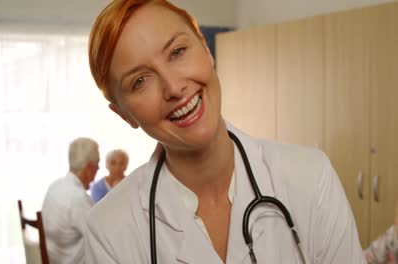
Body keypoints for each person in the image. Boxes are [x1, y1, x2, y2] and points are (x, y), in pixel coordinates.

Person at [85, 0, 366, 263]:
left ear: (206, 50)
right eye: (140, 81)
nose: (173, 87)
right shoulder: (109, 231)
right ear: (124, 114)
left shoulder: (311, 178)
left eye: (177, 52)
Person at [41, 137, 99, 263]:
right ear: (89, 168)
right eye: (97, 165)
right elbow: (99, 237)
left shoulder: (55, 186)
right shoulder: (79, 198)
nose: (98, 169)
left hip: (52, 258)